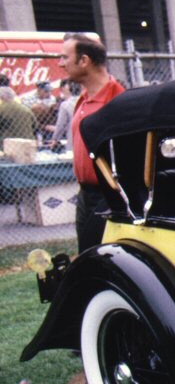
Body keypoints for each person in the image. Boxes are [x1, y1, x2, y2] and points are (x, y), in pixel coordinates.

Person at [60, 32, 126, 252]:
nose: (61, 64)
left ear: (84, 61)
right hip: (85, 195)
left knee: (103, 255)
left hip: (107, 196)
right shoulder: (83, 98)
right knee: (86, 255)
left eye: (65, 58)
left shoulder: (117, 100)